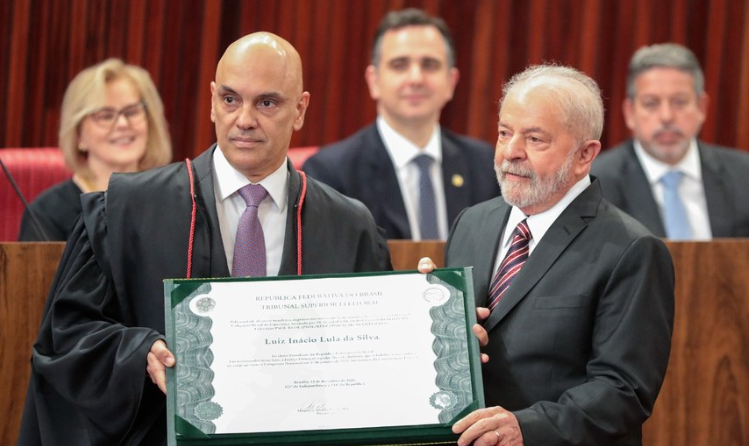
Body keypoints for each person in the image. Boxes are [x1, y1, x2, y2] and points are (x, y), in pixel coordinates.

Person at [18, 32, 391, 446]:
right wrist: (137, 352)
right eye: (230, 99)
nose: (244, 119)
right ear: (213, 100)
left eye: (267, 103)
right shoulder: (124, 212)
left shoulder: (349, 226)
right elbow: (64, 340)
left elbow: (378, 367)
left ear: (300, 109)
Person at [419, 64, 674, 445]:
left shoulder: (631, 249)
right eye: (505, 133)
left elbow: (624, 390)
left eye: (535, 139)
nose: (511, 152)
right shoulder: (471, 222)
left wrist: (528, 428)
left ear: (584, 155)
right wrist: (427, 316)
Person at [303, 8, 499, 240]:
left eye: (429, 65)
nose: (415, 78)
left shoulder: (486, 166)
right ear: (373, 80)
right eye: (399, 65)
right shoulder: (330, 174)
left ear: (451, 81)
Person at [591, 43, 749, 239]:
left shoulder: (743, 175)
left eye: (679, 102)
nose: (666, 116)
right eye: (651, 103)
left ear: (702, 108)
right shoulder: (596, 185)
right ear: (629, 113)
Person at [18, 58, 172, 241]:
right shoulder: (47, 214)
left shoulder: (177, 203)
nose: (123, 124)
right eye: (105, 116)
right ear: (79, 135)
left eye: (131, 112)